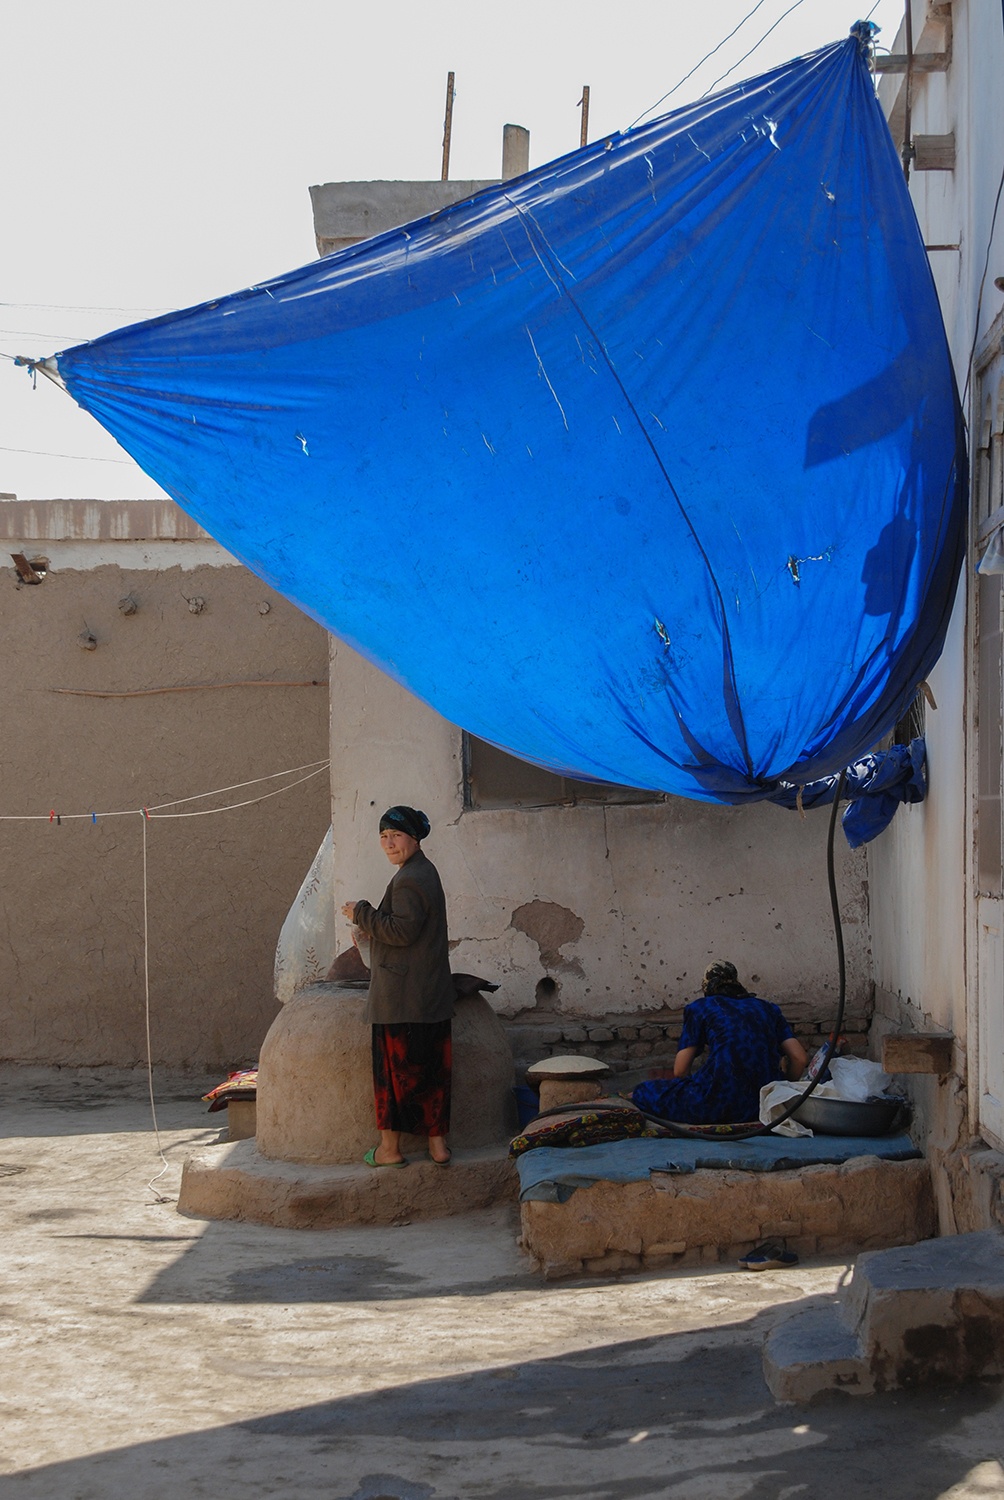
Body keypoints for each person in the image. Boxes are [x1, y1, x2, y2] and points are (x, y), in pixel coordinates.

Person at [340, 805, 454, 1167]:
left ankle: (389, 1150)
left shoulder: (409, 879)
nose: (389, 844)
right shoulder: (424, 872)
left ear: (414, 839)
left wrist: (361, 912)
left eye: (396, 836)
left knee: (392, 1078)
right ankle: (438, 1148)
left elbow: (401, 931)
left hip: (402, 999)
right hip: (429, 997)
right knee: (434, 1076)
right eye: (383, 837)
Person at [631, 961, 807, 1125]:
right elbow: (799, 1058)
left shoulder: (702, 1007)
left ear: (707, 986)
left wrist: (688, 1090)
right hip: (764, 1103)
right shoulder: (768, 1008)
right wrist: (782, 1091)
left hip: (719, 1102)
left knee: (644, 1091)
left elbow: (680, 1070)